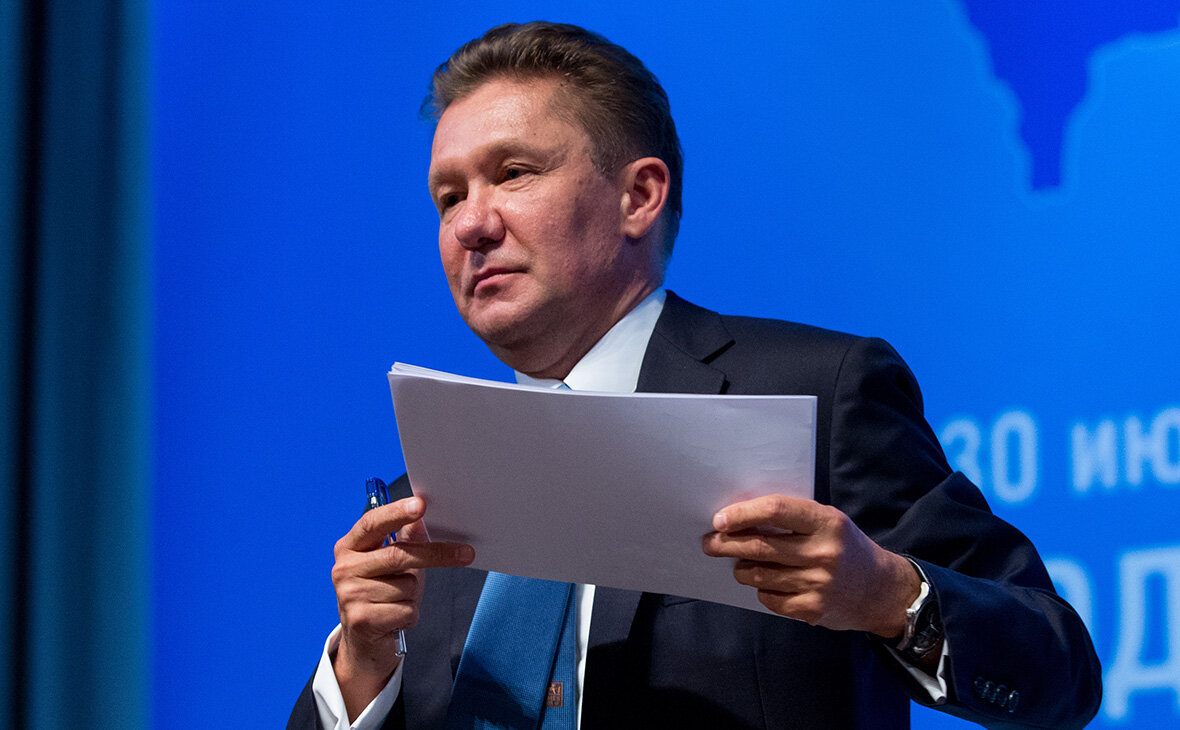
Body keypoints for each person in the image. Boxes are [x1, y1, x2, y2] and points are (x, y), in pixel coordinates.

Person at [289, 21, 1101, 730]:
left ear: (639, 196)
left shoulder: (814, 394)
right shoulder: (429, 501)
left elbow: (1061, 670)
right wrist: (362, 667)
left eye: (513, 173)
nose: (471, 223)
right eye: (447, 197)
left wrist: (886, 595)